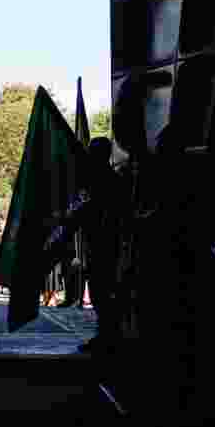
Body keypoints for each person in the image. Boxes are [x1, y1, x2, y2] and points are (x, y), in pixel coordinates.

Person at [83, 137, 128, 352]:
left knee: (105, 293)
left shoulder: (111, 181)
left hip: (108, 245)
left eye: (93, 151)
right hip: (97, 243)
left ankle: (109, 336)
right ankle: (105, 334)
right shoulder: (94, 180)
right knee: (99, 293)